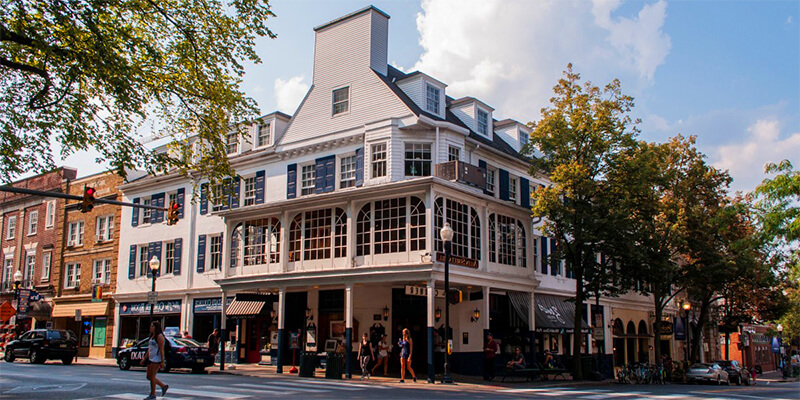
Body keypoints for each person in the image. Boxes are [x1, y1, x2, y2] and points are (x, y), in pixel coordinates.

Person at [141, 321, 169, 400]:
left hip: (156, 358)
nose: (150, 328)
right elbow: (150, 349)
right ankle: (163, 386)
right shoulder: (152, 336)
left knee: (152, 376)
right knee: (149, 376)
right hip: (151, 358)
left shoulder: (159, 336)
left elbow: (161, 349)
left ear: (156, 328)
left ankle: (153, 394)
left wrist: (163, 361)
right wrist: (144, 358)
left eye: (152, 326)